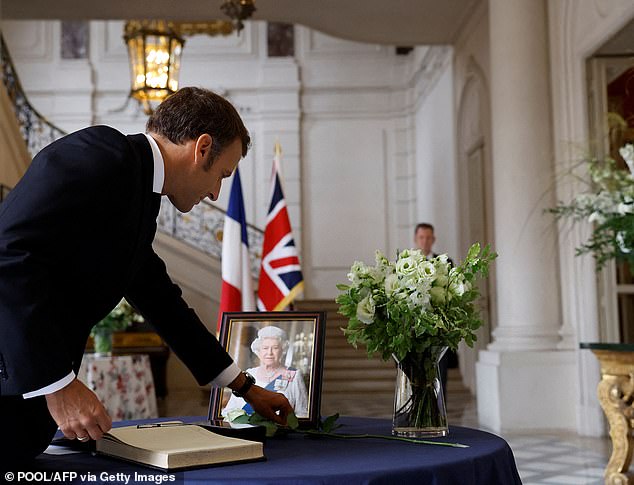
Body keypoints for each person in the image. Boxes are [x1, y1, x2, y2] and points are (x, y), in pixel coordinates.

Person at [0, 87, 293, 465]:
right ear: (201, 148)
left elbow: (161, 300)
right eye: (221, 174)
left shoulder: (138, 188)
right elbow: (7, 257)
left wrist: (244, 387)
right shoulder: (100, 154)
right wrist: (58, 385)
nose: (216, 194)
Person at [223, 326, 308, 418]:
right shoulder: (249, 373)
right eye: (265, 348)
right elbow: (229, 411)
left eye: (275, 348)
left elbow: (303, 413)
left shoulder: (294, 375)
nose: (270, 352)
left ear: (283, 350)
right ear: (258, 351)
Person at [413, 222, 456, 398]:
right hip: (414, 330)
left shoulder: (446, 262)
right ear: (416, 239)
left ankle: (439, 416)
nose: (425, 241)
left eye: (428, 237)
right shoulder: (406, 262)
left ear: (434, 239)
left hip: (439, 330)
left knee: (440, 374)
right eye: (422, 237)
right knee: (415, 377)